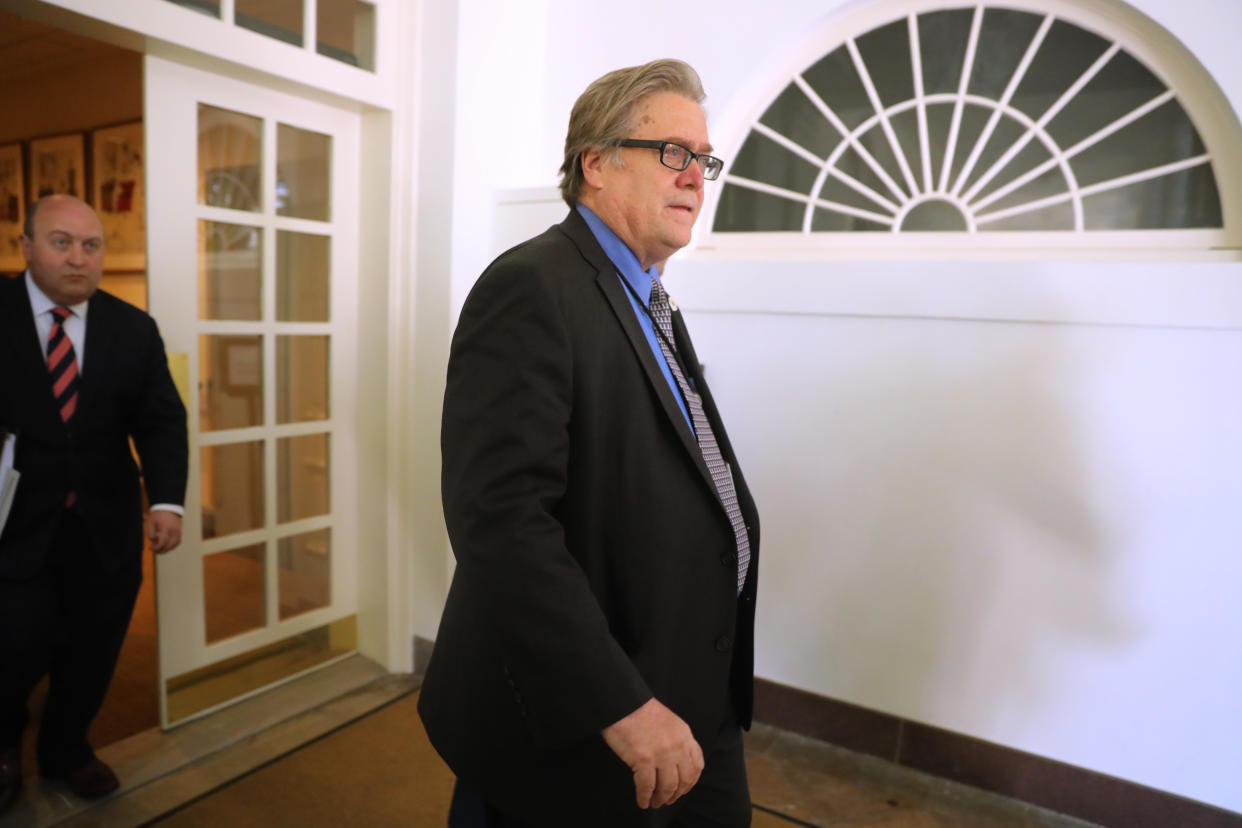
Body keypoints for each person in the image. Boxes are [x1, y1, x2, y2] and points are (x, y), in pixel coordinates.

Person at [418, 59, 760, 827]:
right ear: (595, 163)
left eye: (703, 159)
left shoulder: (650, 296)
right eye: (672, 153)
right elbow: (502, 524)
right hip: (584, 717)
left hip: (691, 693)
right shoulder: (533, 287)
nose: (695, 177)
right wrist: (623, 705)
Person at [0, 194, 188, 813]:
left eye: (91, 245)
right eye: (60, 242)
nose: (78, 258)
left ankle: (66, 750)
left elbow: (161, 421)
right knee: (13, 649)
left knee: (93, 649)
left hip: (103, 528)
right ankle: (3, 754)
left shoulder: (133, 329)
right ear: (24, 246)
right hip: (13, 530)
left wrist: (166, 501)